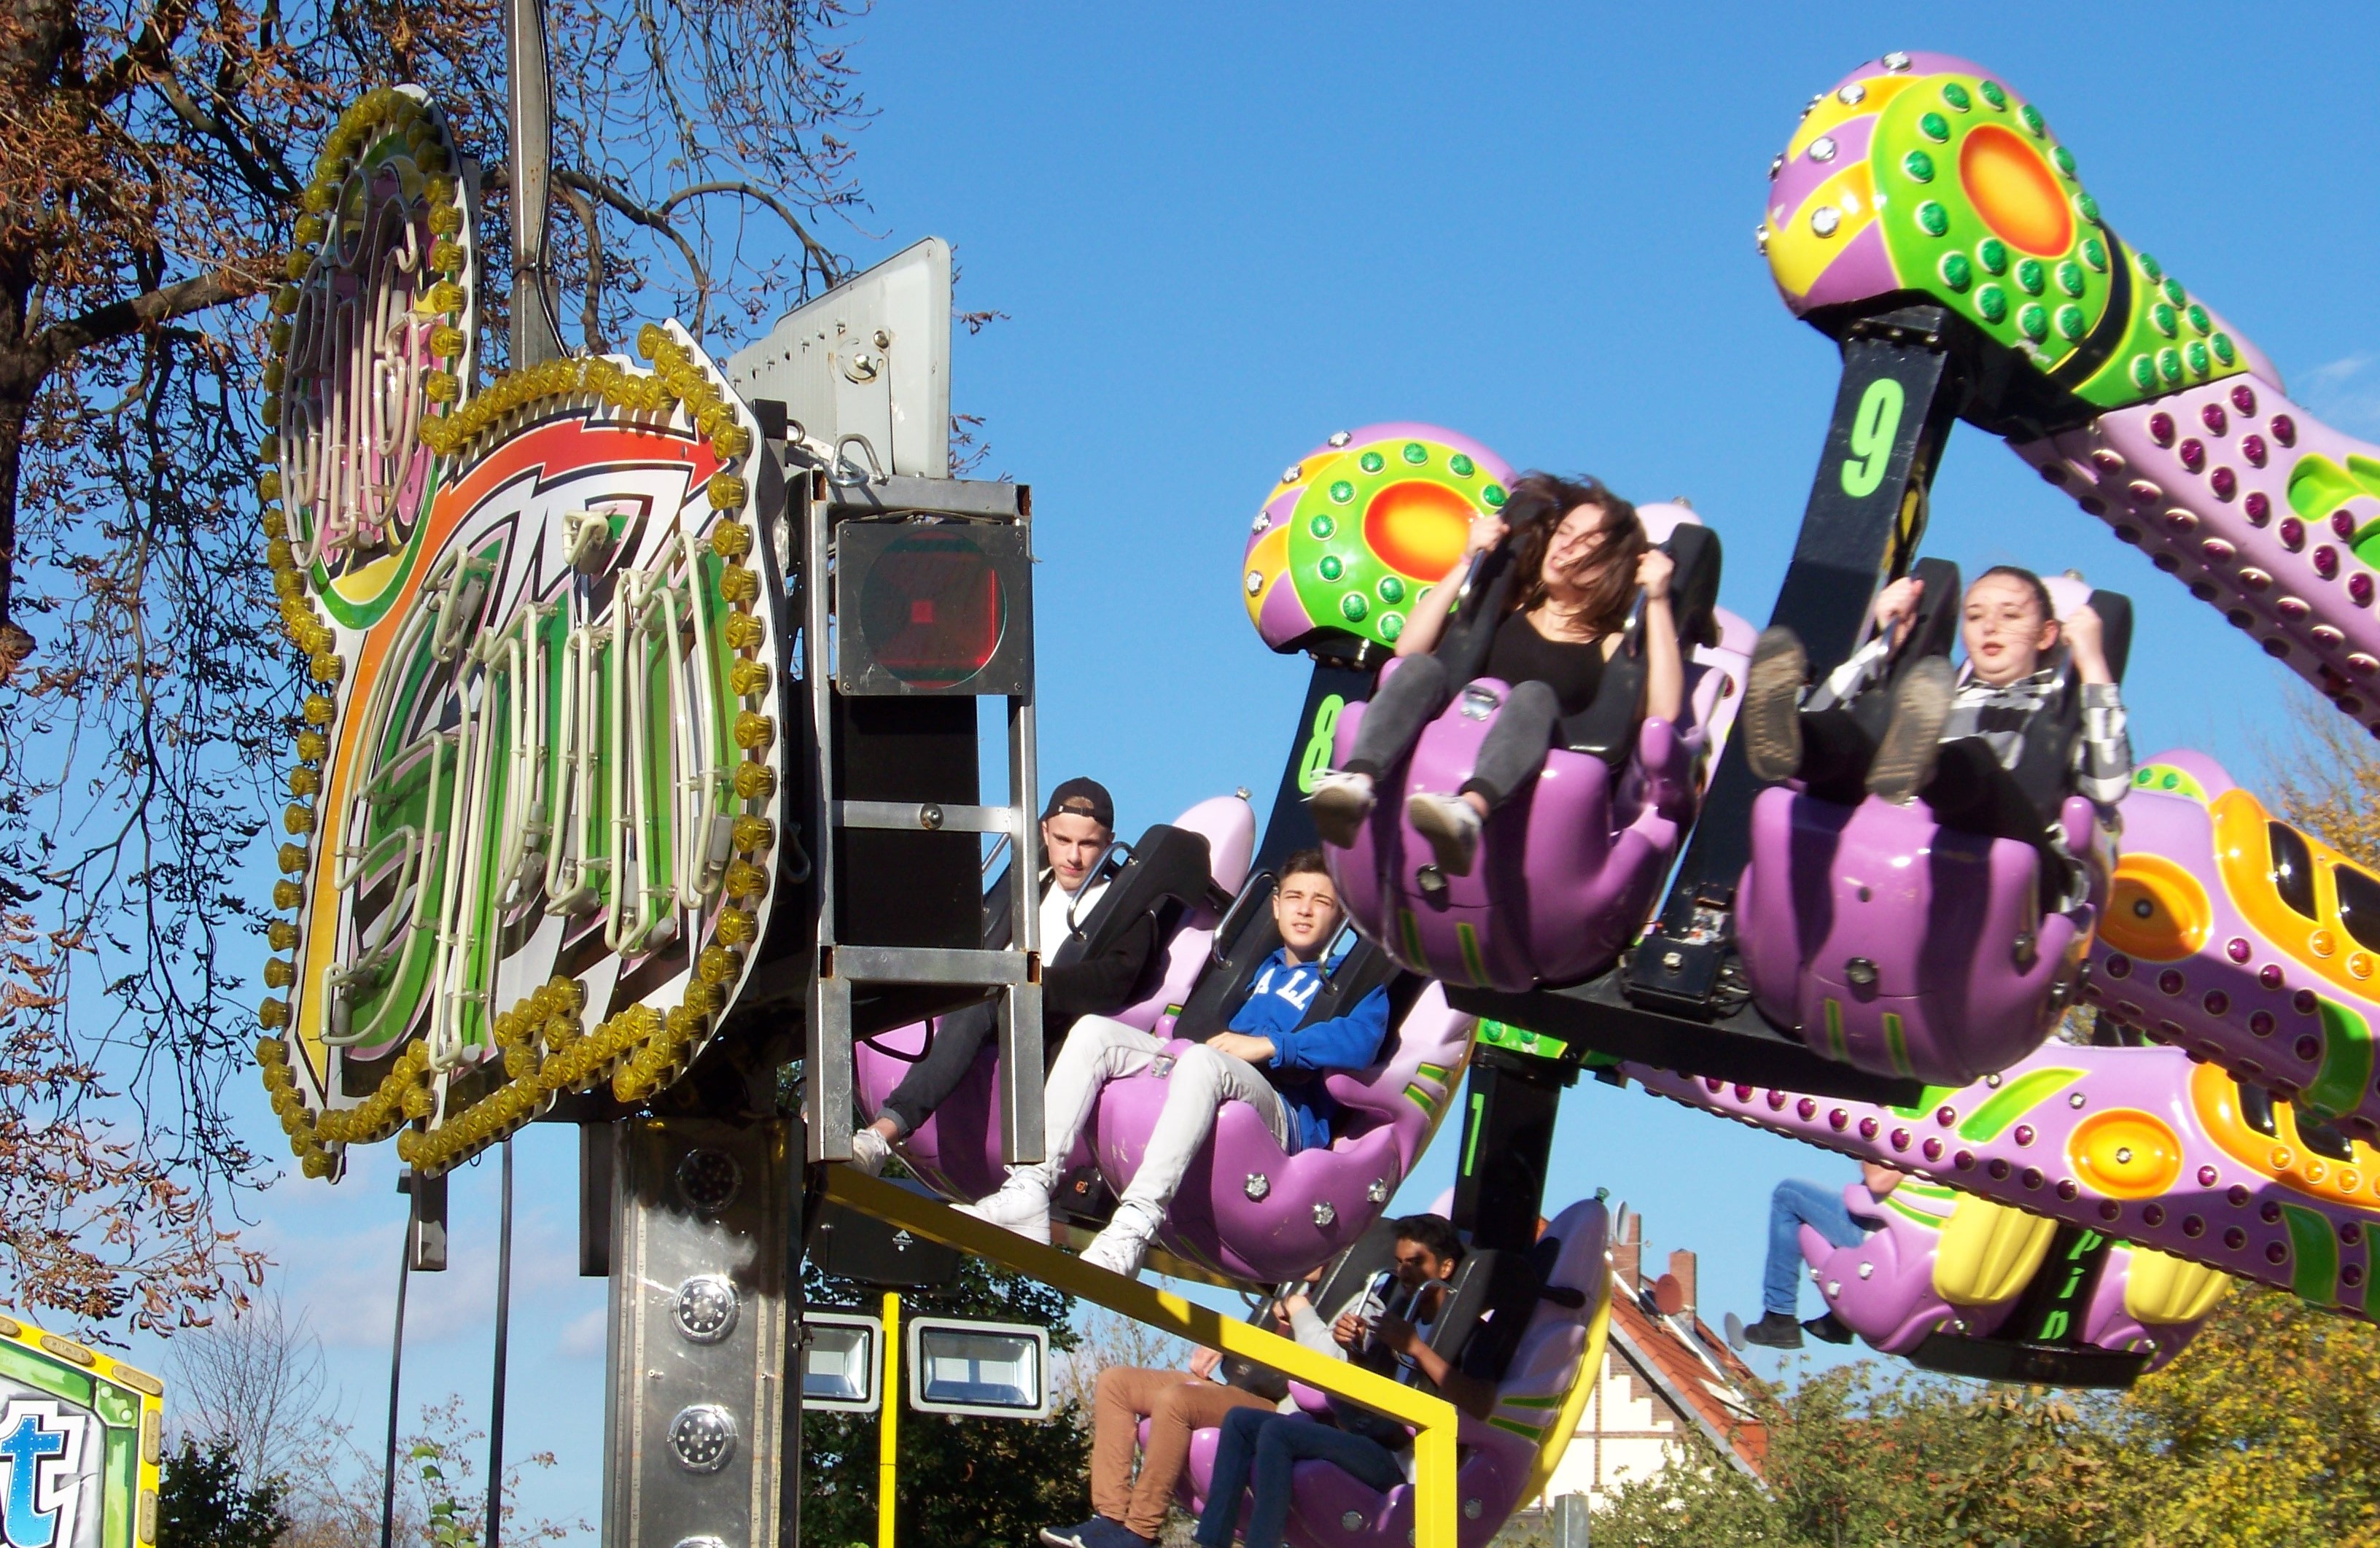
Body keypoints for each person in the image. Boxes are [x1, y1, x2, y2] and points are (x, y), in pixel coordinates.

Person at [960, 849, 1390, 1277]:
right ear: (1276, 906)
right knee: (1095, 1032)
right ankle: (1031, 1186)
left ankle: (1133, 1227)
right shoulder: (1255, 970)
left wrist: (1271, 1046)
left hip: (1283, 1109)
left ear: (1341, 915)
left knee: (1202, 1060)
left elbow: (1360, 1042)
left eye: (1321, 901)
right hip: (1213, 1069)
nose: (1305, 910)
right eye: (1295, 897)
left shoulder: (1351, 981)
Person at [1306, 473, 1682, 876]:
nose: (1566, 546)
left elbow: (1664, 711)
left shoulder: (1609, 644)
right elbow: (1409, 647)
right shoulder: (1508, 608)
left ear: (1612, 566)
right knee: (1421, 668)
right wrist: (1466, 561)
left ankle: (1469, 813)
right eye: (1565, 532)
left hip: (1534, 785)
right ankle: (1357, 784)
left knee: (1534, 696)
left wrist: (1658, 601)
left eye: (1587, 544)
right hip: (1456, 739)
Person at [1736, 566, 2131, 891]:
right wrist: (1886, 644)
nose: (1990, 627)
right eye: (1975, 616)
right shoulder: (1931, 691)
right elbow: (1822, 711)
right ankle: (1798, 740)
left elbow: (2109, 786)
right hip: (1891, 836)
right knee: (1852, 734)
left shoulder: (2064, 709)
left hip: (2010, 863)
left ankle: (1929, 767)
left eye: (2010, 615)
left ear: (2046, 634)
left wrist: (2093, 665)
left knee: (1973, 759)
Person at [852, 777, 1162, 1173]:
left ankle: (881, 1135)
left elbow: (1116, 979)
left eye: (1088, 844)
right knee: (860, 973)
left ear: (1109, 843)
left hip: (1047, 1021)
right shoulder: (1024, 887)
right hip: (986, 997)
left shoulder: (1125, 908)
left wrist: (1029, 982)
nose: (1073, 856)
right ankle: (816, 1114)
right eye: (1063, 840)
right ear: (1044, 832)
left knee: (979, 1003)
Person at [1193, 1216, 1506, 1548]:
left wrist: (1416, 1348)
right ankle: (1212, 1540)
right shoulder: (1398, 1319)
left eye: (1416, 1263)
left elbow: (1481, 1404)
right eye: (1400, 1263)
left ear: (1445, 1268)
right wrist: (1355, 1350)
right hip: (1369, 1435)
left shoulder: (1470, 1333)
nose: (1405, 1272)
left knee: (1277, 1432)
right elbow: (1372, 1390)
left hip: (1405, 1460)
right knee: (1240, 1421)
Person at [1040, 1300, 1304, 1548]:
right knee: (1116, 1383)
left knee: (1176, 1400)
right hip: (1236, 1387)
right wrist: (1228, 1340)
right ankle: (1110, 1517)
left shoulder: (1320, 1297)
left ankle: (1140, 1531)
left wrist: (1299, 1311)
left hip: (1278, 1405)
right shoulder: (1291, 1284)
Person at [1739, 1162, 1907, 1349]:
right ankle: (1842, 1316)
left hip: (1880, 1237)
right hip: (1910, 1245)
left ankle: (1779, 1317)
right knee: (1832, 1208)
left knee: (1787, 1194)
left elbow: (1878, 1181)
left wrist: (1871, 1153)